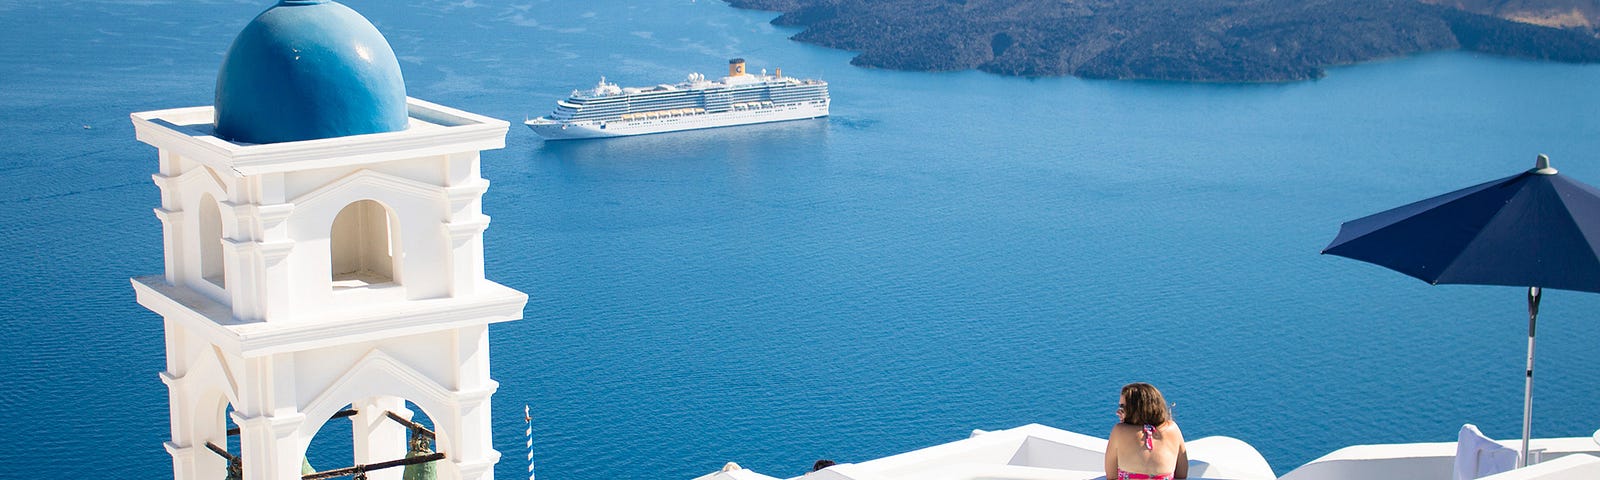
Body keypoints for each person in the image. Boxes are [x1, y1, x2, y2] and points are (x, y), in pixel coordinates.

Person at [1105, 383, 1188, 480]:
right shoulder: (1173, 429)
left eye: (1123, 407)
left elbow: (1111, 476)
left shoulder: (1119, 431)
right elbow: (1182, 475)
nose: (1118, 412)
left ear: (1137, 409)